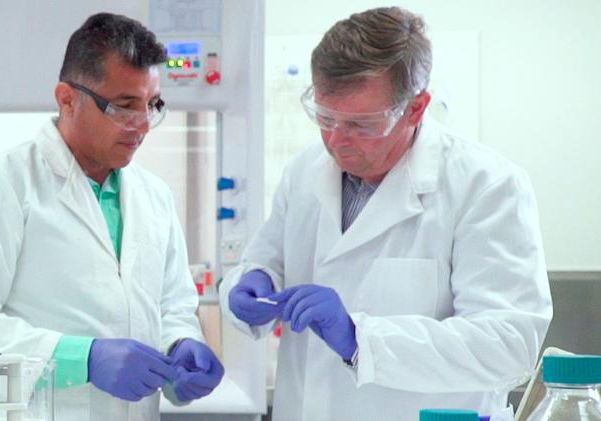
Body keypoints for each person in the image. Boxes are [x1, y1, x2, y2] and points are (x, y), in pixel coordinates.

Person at [219, 6, 552, 421]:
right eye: (325, 117)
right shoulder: (304, 172)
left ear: (416, 108)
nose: (336, 141)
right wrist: (251, 283)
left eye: (361, 124)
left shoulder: (486, 185)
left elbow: (508, 344)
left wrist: (360, 338)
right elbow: (266, 261)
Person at [0, 13, 223, 420]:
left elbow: (172, 306)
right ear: (67, 98)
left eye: (152, 105)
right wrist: (81, 359)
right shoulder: (1, 186)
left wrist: (181, 345)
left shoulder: (153, 196)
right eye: (124, 107)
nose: (141, 126)